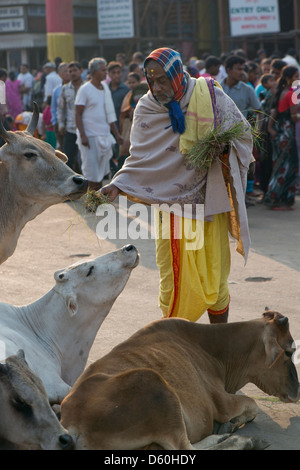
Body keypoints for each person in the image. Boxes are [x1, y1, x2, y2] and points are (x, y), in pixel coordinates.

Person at [101, 47, 253, 324]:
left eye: (163, 80)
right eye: (152, 80)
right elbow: (140, 157)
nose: (157, 87)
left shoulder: (211, 95)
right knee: (175, 276)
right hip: (172, 208)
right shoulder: (147, 107)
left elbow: (243, 137)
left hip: (208, 201)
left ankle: (218, 340)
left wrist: (223, 149)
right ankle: (180, 346)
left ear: (177, 75)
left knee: (214, 272)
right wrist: (118, 184)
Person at [75, 57, 123, 191]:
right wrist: (83, 136)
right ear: (94, 72)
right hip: (89, 137)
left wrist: (117, 135)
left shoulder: (105, 89)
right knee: (91, 173)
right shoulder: (85, 89)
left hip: (104, 136)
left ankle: (97, 199)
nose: (105, 73)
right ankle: (92, 201)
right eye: (103, 70)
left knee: (101, 173)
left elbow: (110, 115)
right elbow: (77, 114)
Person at [264, 65, 300, 210]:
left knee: (280, 165)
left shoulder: (280, 91)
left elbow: (273, 111)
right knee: (286, 167)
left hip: (279, 132)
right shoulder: (292, 93)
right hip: (287, 133)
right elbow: (293, 116)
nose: (298, 79)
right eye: (296, 76)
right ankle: (276, 198)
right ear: (288, 78)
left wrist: (270, 128)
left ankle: (279, 198)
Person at [57, 61, 83, 172]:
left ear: (81, 71)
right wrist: (61, 124)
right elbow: (61, 109)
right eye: (70, 71)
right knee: (68, 159)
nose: (72, 73)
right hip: (70, 128)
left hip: (85, 129)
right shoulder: (65, 89)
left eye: (75, 71)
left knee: (84, 160)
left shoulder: (87, 87)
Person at [51, 62, 70, 150]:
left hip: (73, 122)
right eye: (64, 71)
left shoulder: (76, 87)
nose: (67, 73)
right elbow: (54, 108)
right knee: (63, 149)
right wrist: (56, 122)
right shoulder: (56, 90)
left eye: (68, 71)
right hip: (60, 123)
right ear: (59, 74)